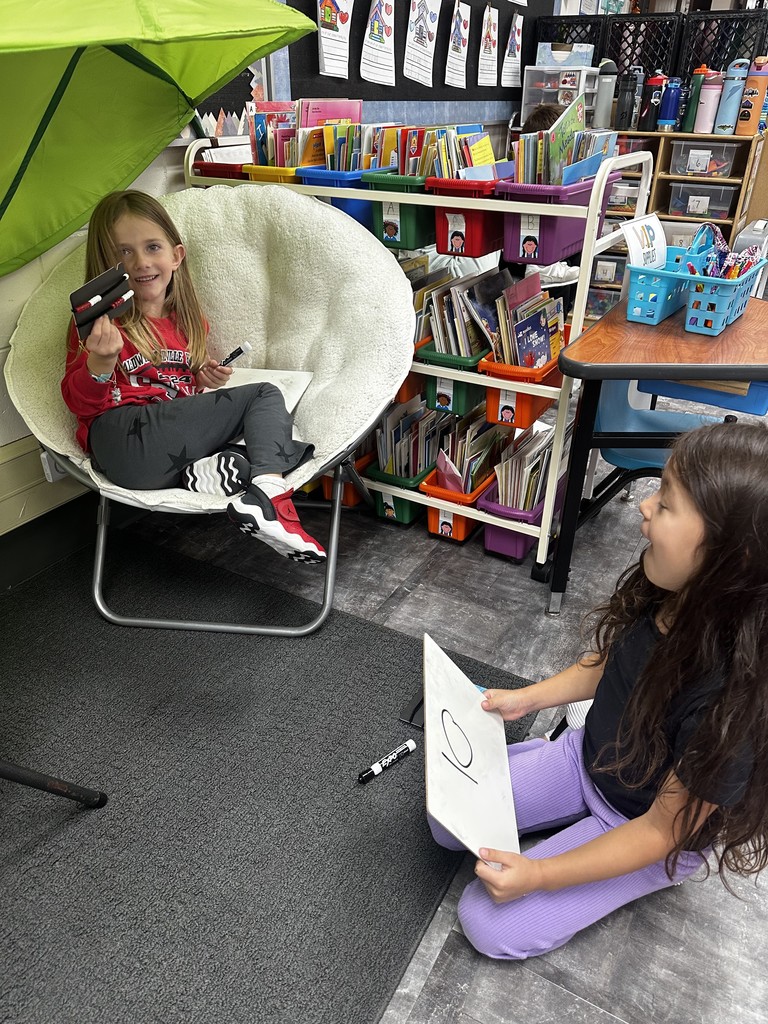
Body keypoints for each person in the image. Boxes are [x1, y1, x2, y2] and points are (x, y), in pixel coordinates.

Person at [429, 421, 768, 959]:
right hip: (584, 759)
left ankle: (640, 870)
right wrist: (527, 699)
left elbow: (661, 829)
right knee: (445, 819)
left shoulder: (735, 700)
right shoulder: (671, 589)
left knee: (488, 923)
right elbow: (613, 662)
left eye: (668, 502)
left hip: (645, 828)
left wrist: (539, 875)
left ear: (732, 558)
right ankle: (548, 784)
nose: (645, 505)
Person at [61, 190, 326, 563]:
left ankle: (214, 477)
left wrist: (202, 378)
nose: (140, 262)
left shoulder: (188, 322)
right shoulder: (100, 326)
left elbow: (179, 393)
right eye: (123, 252)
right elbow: (77, 402)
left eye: (153, 247)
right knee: (264, 396)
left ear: (176, 256)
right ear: (105, 266)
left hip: (164, 458)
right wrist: (100, 365)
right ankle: (272, 499)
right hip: (120, 439)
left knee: (266, 452)